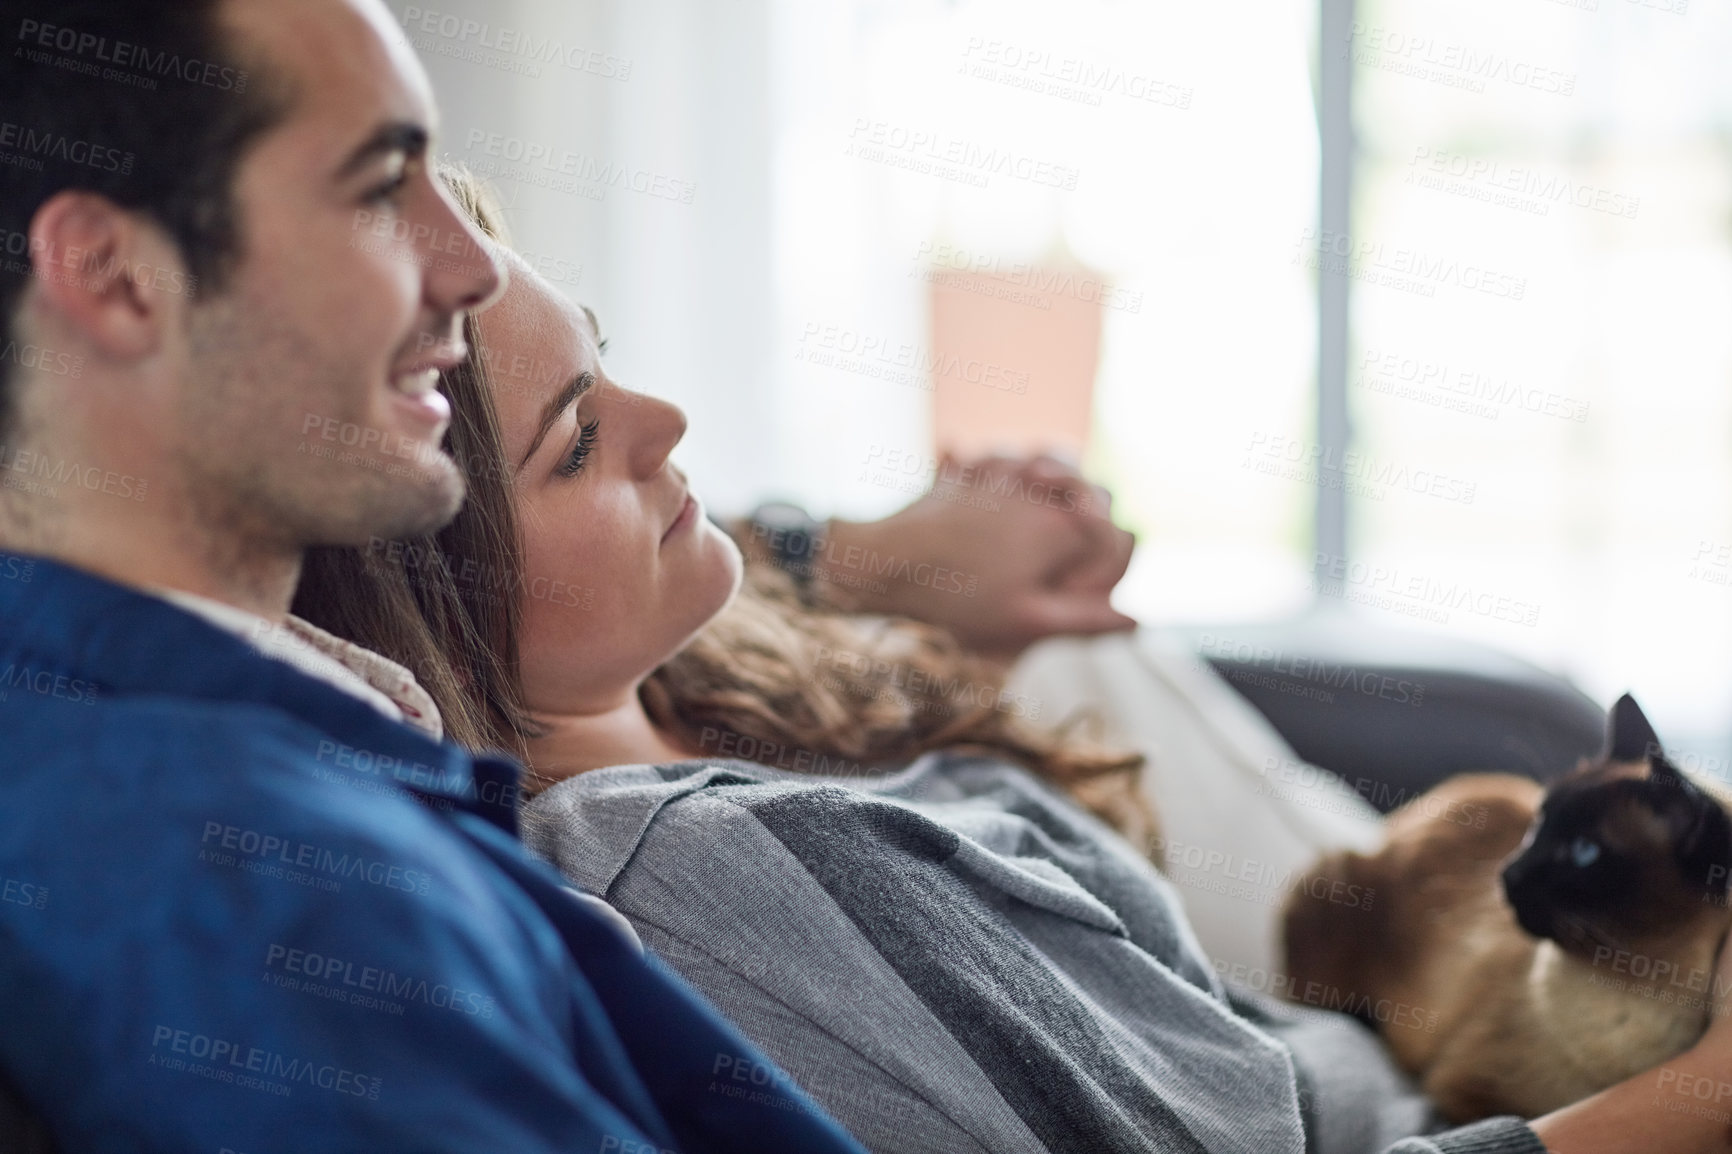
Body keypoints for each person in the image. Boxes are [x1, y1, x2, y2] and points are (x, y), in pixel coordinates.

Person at [307, 167, 1732, 1154]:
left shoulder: (699, 672)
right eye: (577, 438)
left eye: (609, 355)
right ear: (443, 597)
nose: (669, 414)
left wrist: (871, 555)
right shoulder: (695, 873)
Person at [0, 2, 872, 1151]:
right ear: (115, 274)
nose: (466, 266)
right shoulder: (245, 871)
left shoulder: (239, 757)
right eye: (374, 189)